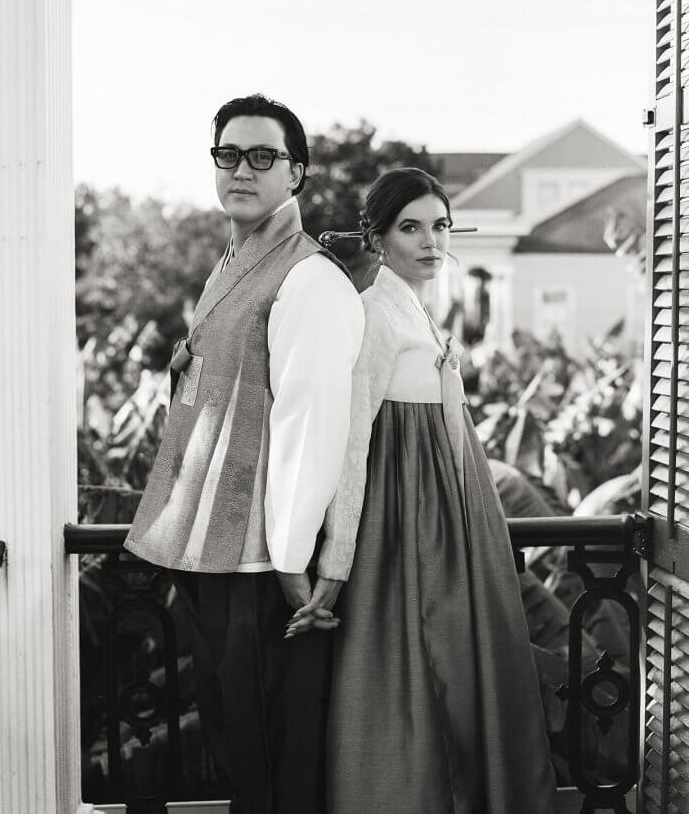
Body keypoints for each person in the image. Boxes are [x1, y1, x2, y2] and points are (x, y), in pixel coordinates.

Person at [124, 94, 364, 814]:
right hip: (219, 554)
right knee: (239, 747)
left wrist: (293, 559)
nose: (242, 169)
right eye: (228, 154)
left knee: (272, 760)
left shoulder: (308, 276)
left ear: (297, 175)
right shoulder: (231, 262)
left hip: (265, 567)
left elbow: (309, 422)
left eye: (264, 156)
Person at [311, 167, 557, 813]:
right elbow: (352, 438)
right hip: (408, 524)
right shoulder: (373, 314)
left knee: (471, 675)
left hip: (451, 511)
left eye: (439, 226)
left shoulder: (414, 307)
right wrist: (335, 564)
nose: (429, 241)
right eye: (409, 227)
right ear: (378, 236)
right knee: (418, 677)